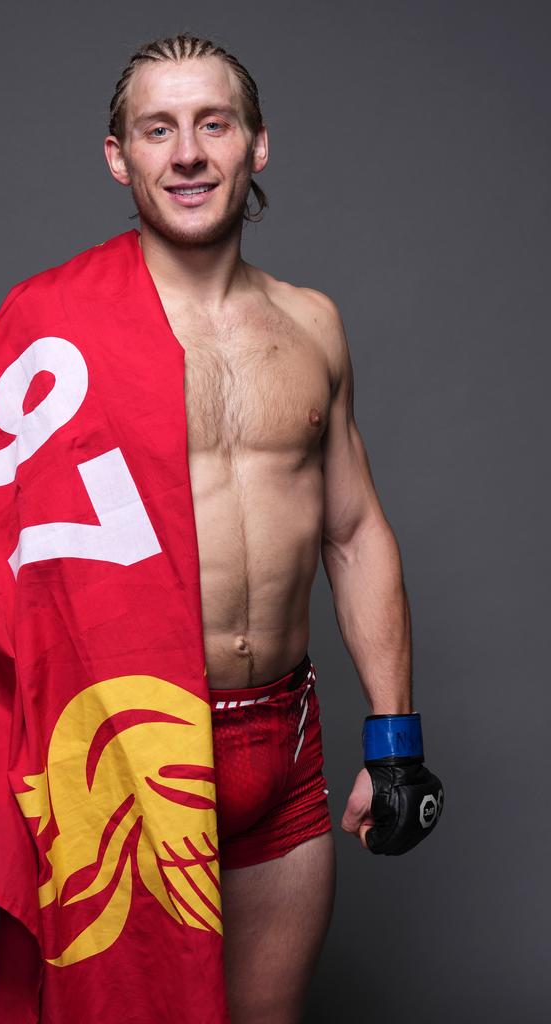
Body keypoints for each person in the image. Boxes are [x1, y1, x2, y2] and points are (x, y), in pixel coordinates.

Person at [102, 34, 442, 1023]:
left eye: (214, 123)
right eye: (157, 129)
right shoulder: (67, 336)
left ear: (257, 145)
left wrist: (395, 739)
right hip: (134, 745)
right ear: (118, 156)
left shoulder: (313, 324)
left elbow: (353, 529)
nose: (189, 153)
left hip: (282, 743)